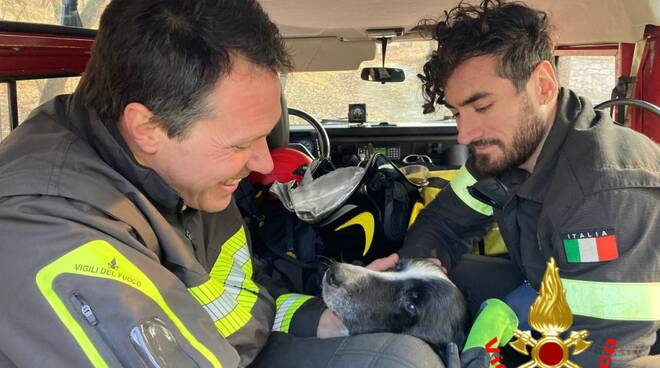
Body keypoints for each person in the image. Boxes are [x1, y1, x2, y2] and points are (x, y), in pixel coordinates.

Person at [0, 1, 461, 367]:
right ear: (149, 128)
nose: (262, 160)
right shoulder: (48, 232)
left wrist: (329, 318)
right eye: (243, 142)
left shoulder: (187, 177)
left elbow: (243, 296)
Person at [400, 0, 660, 366]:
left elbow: (600, 354)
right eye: (458, 112)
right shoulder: (503, 152)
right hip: (550, 294)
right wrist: (412, 276)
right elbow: (441, 224)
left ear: (542, 85)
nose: (464, 134)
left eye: (482, 106)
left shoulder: (603, 190)